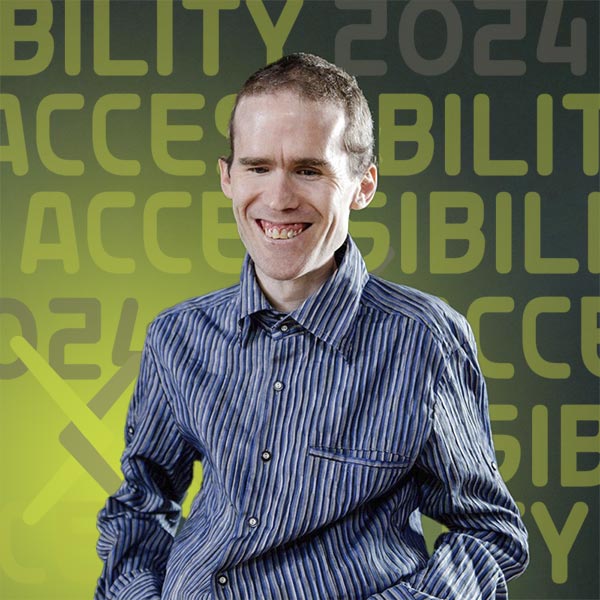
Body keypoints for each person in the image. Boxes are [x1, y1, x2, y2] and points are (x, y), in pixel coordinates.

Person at [95, 53, 528, 600]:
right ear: (227, 178)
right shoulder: (177, 337)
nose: (278, 199)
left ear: (362, 185)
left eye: (308, 169)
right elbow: (141, 500)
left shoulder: (423, 338)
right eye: (257, 167)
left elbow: (489, 532)